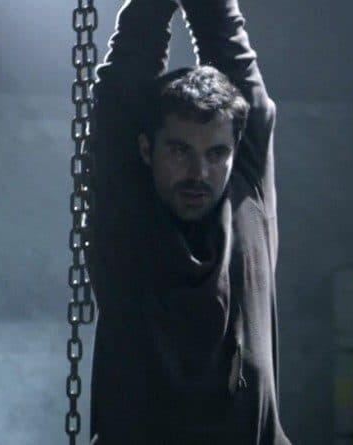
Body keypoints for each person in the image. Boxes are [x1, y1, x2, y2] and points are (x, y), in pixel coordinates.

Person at [86, 0, 288, 443]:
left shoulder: (246, 198)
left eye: (216, 153)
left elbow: (228, 44)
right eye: (179, 151)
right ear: (146, 149)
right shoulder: (128, 211)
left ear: (235, 151)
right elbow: (121, 89)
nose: (199, 173)